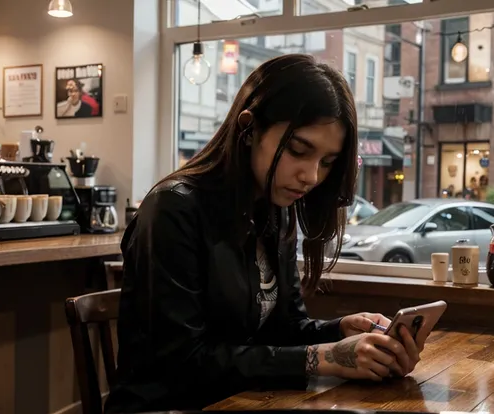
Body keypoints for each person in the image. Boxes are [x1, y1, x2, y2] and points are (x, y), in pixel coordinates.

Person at [105, 54, 428, 414]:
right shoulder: (173, 209)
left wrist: (340, 333)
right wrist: (321, 358)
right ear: (248, 129)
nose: (312, 176)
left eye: (326, 161)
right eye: (298, 150)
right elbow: (182, 361)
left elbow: (286, 329)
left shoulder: (277, 211)